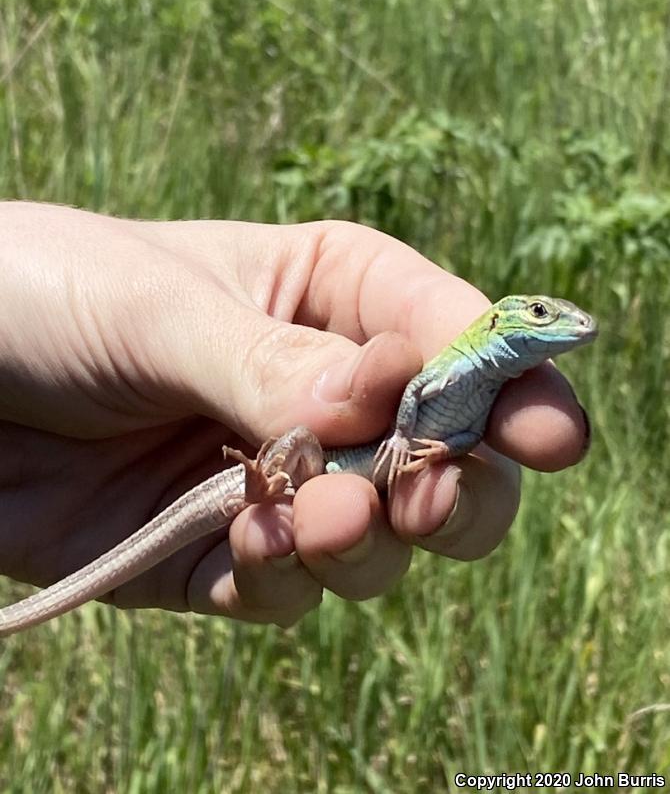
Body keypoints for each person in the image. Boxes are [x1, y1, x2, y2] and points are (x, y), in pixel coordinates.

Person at [0, 201, 590, 627]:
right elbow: (417, 393)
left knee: (345, 524)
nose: (561, 323)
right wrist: (405, 432)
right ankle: (259, 479)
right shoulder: (459, 358)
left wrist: (441, 449)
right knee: (304, 433)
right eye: (542, 313)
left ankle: (263, 490)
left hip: (347, 482)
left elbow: (461, 436)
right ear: (500, 321)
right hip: (329, 461)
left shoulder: (494, 394)